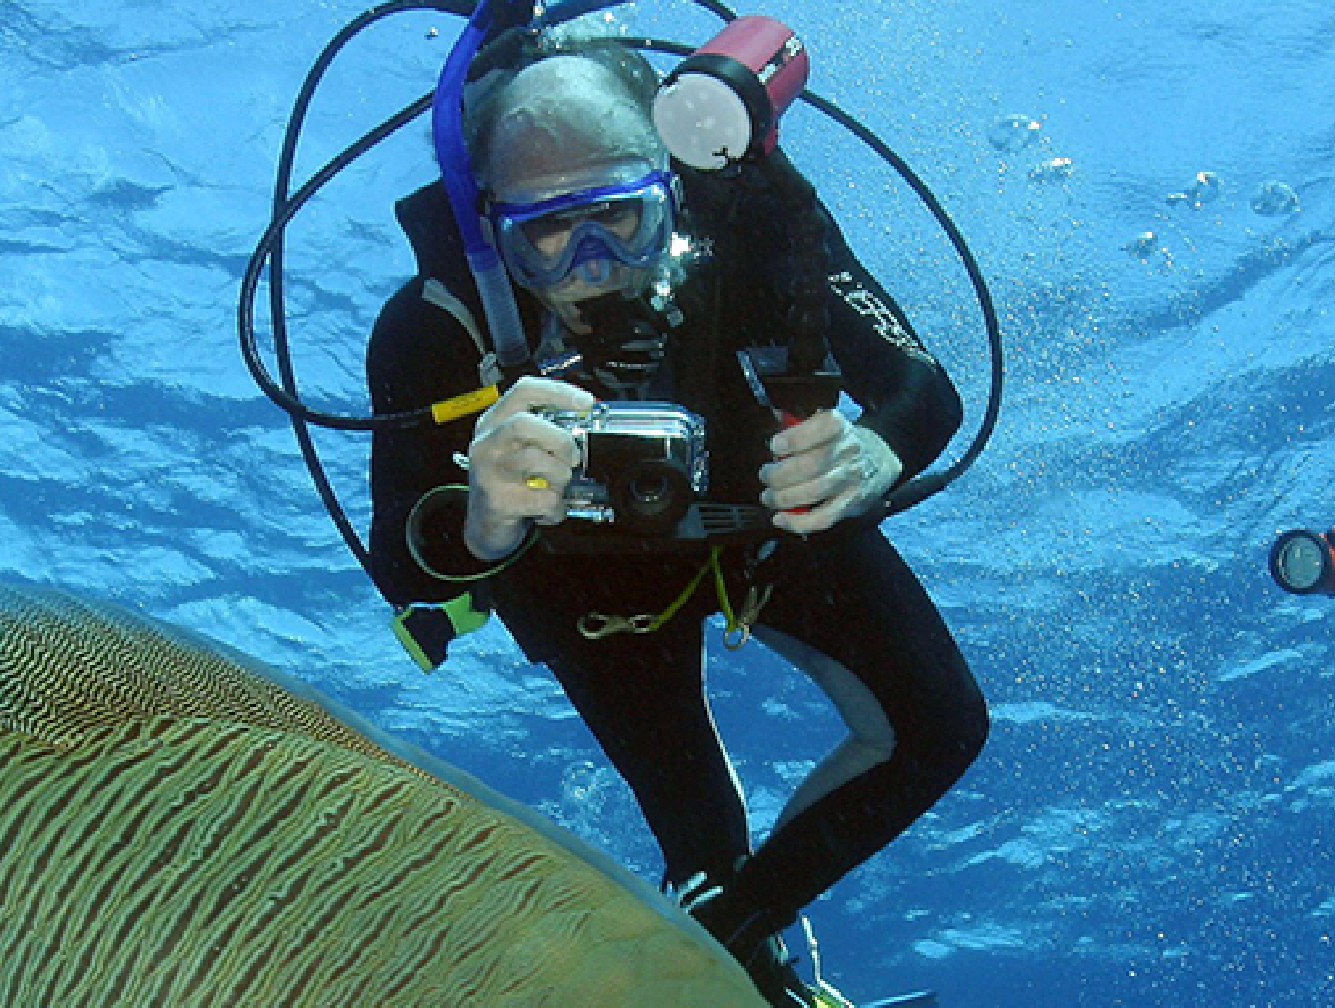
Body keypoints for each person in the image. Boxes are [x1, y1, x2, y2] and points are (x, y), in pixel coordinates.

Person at [361, 32, 986, 1007]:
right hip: (587, 595)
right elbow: (403, 565)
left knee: (940, 726)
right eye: (548, 233)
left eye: (621, 213)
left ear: (674, 185)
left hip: (768, 529)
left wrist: (873, 452)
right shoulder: (438, 327)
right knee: (699, 843)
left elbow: (922, 388)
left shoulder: (758, 226)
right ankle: (739, 961)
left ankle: (740, 942)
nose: (592, 262)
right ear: (489, 228)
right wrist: (482, 524)